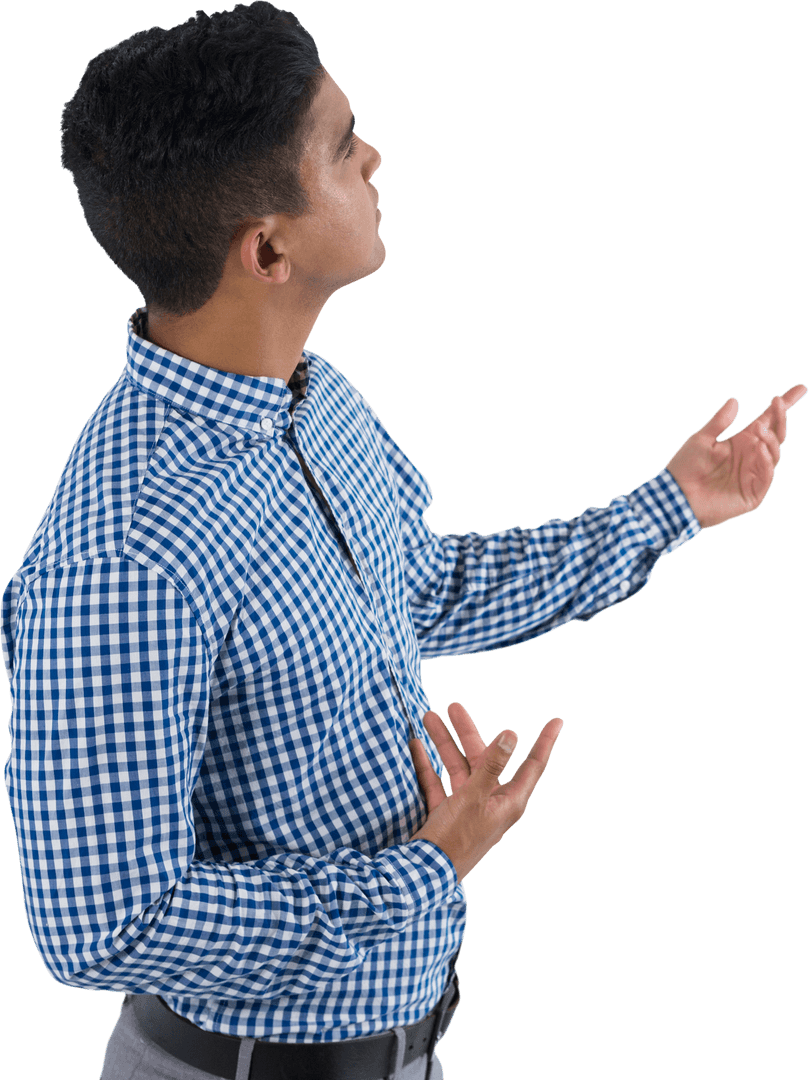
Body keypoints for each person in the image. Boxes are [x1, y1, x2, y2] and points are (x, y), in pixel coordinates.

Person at [1, 4, 804, 1079]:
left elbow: (421, 587)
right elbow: (99, 924)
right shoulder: (124, 555)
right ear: (267, 247)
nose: (375, 154)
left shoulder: (311, 401)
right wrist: (430, 869)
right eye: (341, 145)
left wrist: (668, 506)